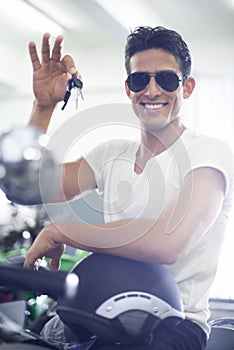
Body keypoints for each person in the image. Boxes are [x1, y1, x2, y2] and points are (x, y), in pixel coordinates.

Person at [13, 27, 234, 349]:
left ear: (187, 87)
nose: (152, 90)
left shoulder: (209, 154)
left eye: (167, 79)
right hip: (99, 316)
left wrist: (62, 231)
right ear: (129, 89)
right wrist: (43, 108)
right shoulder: (109, 154)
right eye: (140, 80)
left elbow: (167, 243)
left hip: (172, 328)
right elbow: (26, 188)